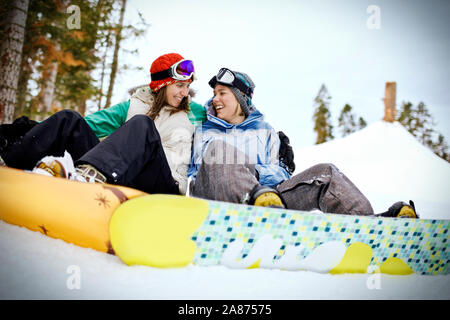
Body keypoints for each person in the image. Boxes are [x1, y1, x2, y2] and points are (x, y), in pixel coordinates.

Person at [187, 68, 418, 218]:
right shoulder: (204, 130)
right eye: (214, 93)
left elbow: (280, 177)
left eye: (222, 92)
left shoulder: (265, 132)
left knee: (325, 173)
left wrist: (256, 174)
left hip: (268, 203)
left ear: (240, 98)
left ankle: (369, 227)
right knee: (220, 152)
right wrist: (244, 172)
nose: (215, 99)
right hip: (217, 204)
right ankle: (257, 206)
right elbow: (197, 173)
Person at [0, 53, 199, 195]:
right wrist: (29, 128)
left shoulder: (194, 111)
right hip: (129, 175)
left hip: (165, 185)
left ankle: (87, 178)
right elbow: (91, 124)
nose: (185, 93)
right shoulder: (132, 107)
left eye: (187, 86)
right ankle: (7, 163)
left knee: (143, 124)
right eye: (180, 85)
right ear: (162, 85)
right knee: (70, 119)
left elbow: (225, 116)